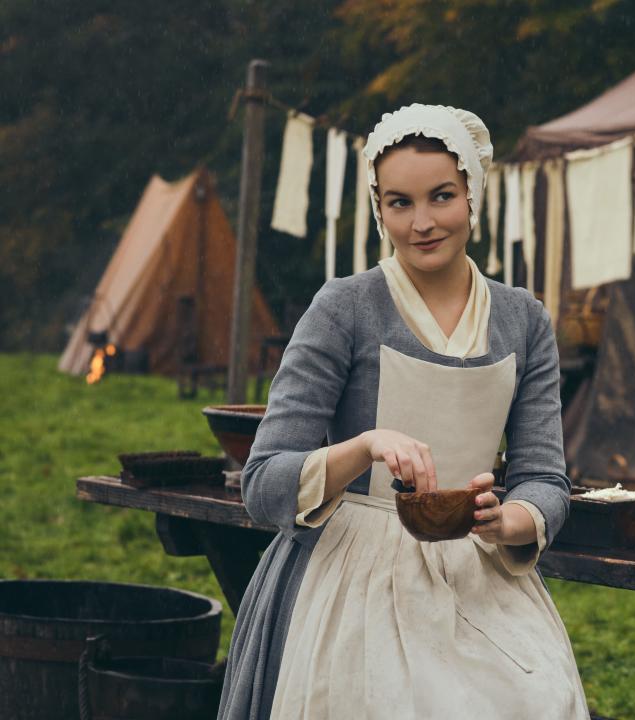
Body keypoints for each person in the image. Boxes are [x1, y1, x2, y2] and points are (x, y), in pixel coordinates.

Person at [218, 103, 590, 719]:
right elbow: (264, 484)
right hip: (348, 578)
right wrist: (364, 447)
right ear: (378, 207)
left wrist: (511, 520)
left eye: (441, 196)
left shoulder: (523, 320)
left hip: (478, 577)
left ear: (473, 195)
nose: (422, 222)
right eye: (399, 203)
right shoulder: (346, 307)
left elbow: (545, 479)